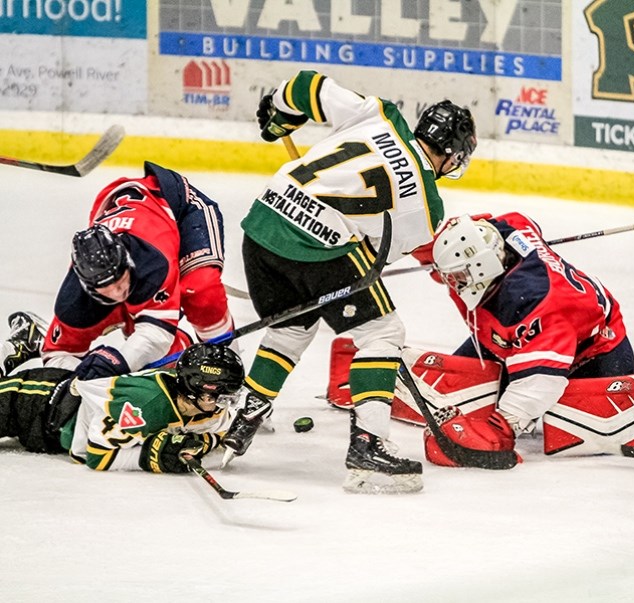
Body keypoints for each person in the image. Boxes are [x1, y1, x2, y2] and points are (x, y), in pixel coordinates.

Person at [221, 69, 477, 494]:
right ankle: (369, 448)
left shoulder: (381, 116)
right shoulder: (427, 208)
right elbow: (374, 259)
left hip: (261, 222)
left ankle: (244, 418)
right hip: (315, 246)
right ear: (452, 155)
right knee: (382, 333)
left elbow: (308, 85)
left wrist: (279, 114)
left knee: (290, 329)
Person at [410, 213, 634, 460]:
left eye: (457, 276)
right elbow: (495, 225)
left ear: (482, 268)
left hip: (593, 354)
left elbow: (539, 384)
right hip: (513, 337)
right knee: (461, 390)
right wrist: (419, 243)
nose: (449, 281)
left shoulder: (537, 304)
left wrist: (505, 426)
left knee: (566, 424)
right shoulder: (507, 228)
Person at [0, 162, 235, 381]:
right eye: (106, 287)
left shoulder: (151, 262)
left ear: (126, 260)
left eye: (120, 279)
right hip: (124, 216)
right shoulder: (74, 299)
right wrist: (85, 378)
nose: (118, 291)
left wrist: (116, 364)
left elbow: (156, 335)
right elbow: (59, 354)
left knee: (201, 290)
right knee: (149, 358)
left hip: (176, 206)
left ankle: (232, 375)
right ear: (88, 285)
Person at [0, 341, 244, 473]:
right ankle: (14, 348)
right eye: (223, 395)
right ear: (200, 392)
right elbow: (97, 456)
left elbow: (224, 432)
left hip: (53, 420)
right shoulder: (146, 404)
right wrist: (147, 457)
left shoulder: (202, 406)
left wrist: (202, 443)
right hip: (33, 401)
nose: (227, 403)